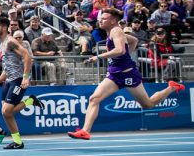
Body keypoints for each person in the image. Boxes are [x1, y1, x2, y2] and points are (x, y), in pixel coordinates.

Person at [68, 8, 185, 140]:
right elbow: (134, 41)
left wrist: (98, 57)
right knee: (94, 99)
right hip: (114, 74)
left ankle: (172, 87)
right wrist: (126, 57)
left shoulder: (116, 31)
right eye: (101, 18)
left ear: (113, 21)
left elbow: (119, 50)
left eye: (104, 18)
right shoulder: (112, 32)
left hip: (128, 74)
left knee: (147, 104)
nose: (100, 20)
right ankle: (85, 131)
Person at [0, 17, 43, 149]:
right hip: (8, 80)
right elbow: (7, 68)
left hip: (18, 79)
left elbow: (27, 57)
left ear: (3, 27)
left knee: (7, 112)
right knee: (6, 112)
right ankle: (17, 141)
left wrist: (25, 77)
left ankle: (30, 101)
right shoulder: (1, 44)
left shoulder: (10, 41)